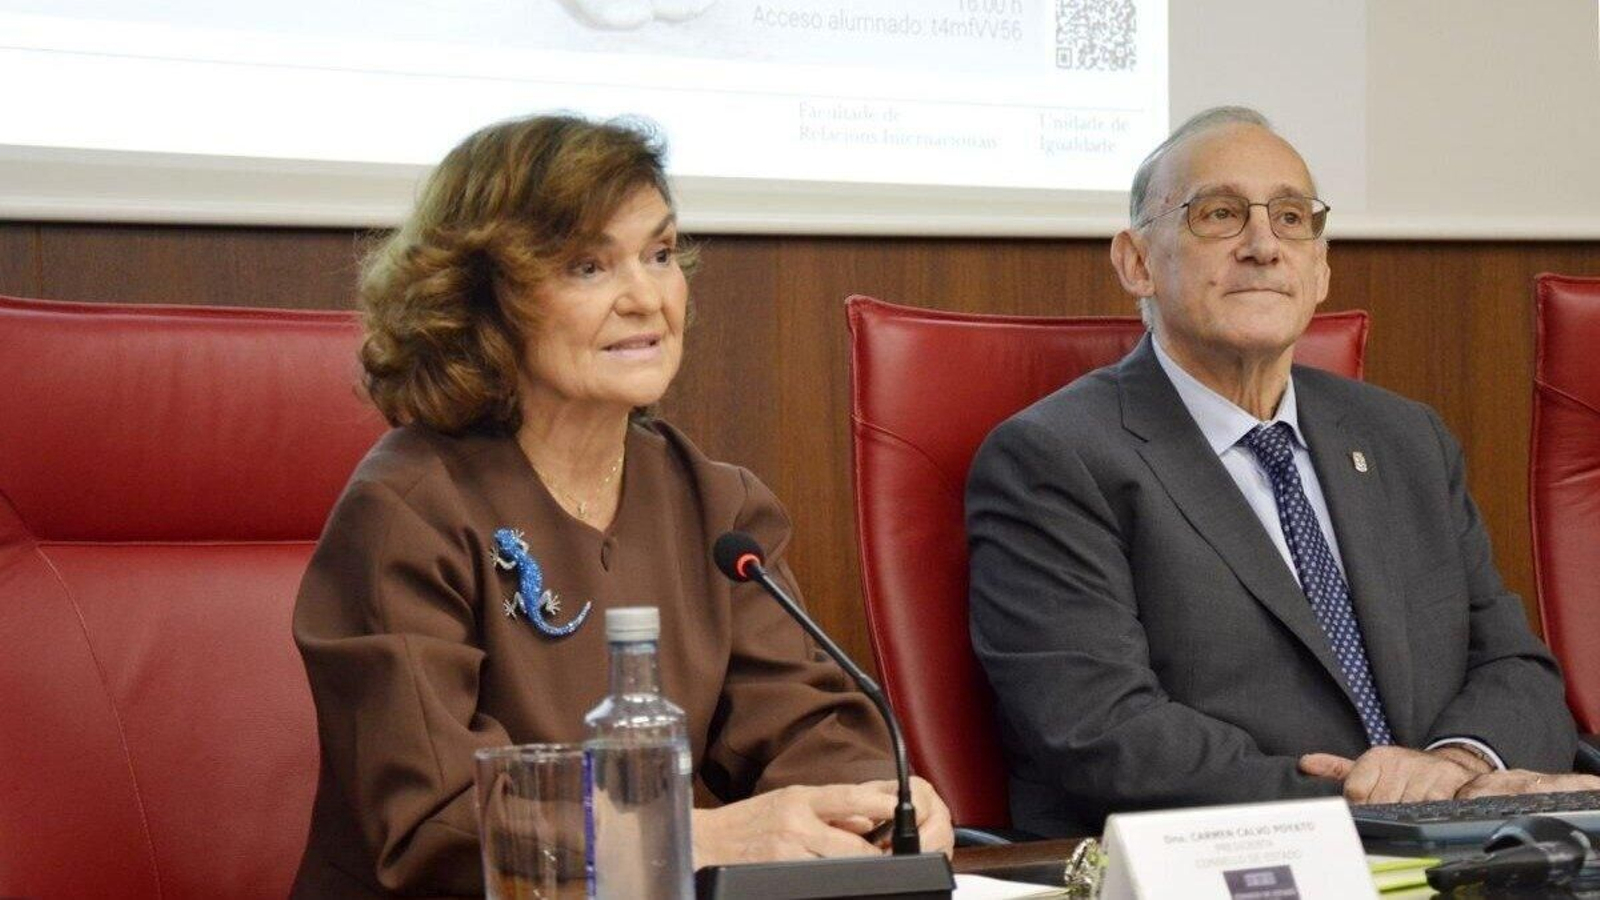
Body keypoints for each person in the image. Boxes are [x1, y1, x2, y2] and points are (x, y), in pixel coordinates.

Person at [291, 113, 951, 896]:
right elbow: (435, 823)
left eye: (660, 254)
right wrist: (692, 833)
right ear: (481, 297)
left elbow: (809, 724)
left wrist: (873, 802)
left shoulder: (715, 506)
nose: (646, 297)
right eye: (587, 267)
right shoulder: (407, 511)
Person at [966, 106, 1591, 837]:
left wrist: (1456, 764)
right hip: (1233, 860)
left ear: (1321, 268)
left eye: (1293, 218)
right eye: (1219, 214)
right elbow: (1102, 731)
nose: (1264, 245)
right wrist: (1382, 806)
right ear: (1136, 261)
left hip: (1464, 851)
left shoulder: (1405, 438)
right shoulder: (1056, 458)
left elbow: (1514, 667)